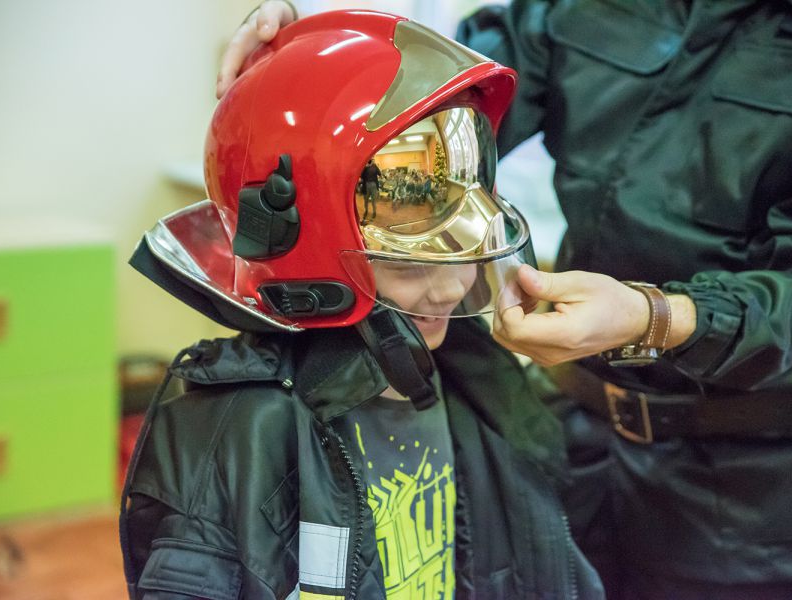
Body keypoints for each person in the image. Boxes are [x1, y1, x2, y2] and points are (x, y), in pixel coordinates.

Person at [221, 2, 792, 599]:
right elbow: (431, 106)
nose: (450, 288)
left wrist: (654, 318)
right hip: (569, 441)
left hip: (753, 497)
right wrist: (310, 63)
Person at [121, 11, 603, 600]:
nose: (452, 289)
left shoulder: (473, 381)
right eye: (411, 263)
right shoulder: (238, 435)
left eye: (462, 253)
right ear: (305, 259)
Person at [360, 158, 381, 222]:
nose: (371, 161)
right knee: (366, 200)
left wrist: (376, 167)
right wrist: (365, 167)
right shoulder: (365, 166)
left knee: (373, 200)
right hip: (366, 185)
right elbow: (361, 175)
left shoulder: (375, 166)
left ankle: (374, 212)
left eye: (372, 160)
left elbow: (379, 173)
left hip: (374, 185)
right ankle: (366, 211)